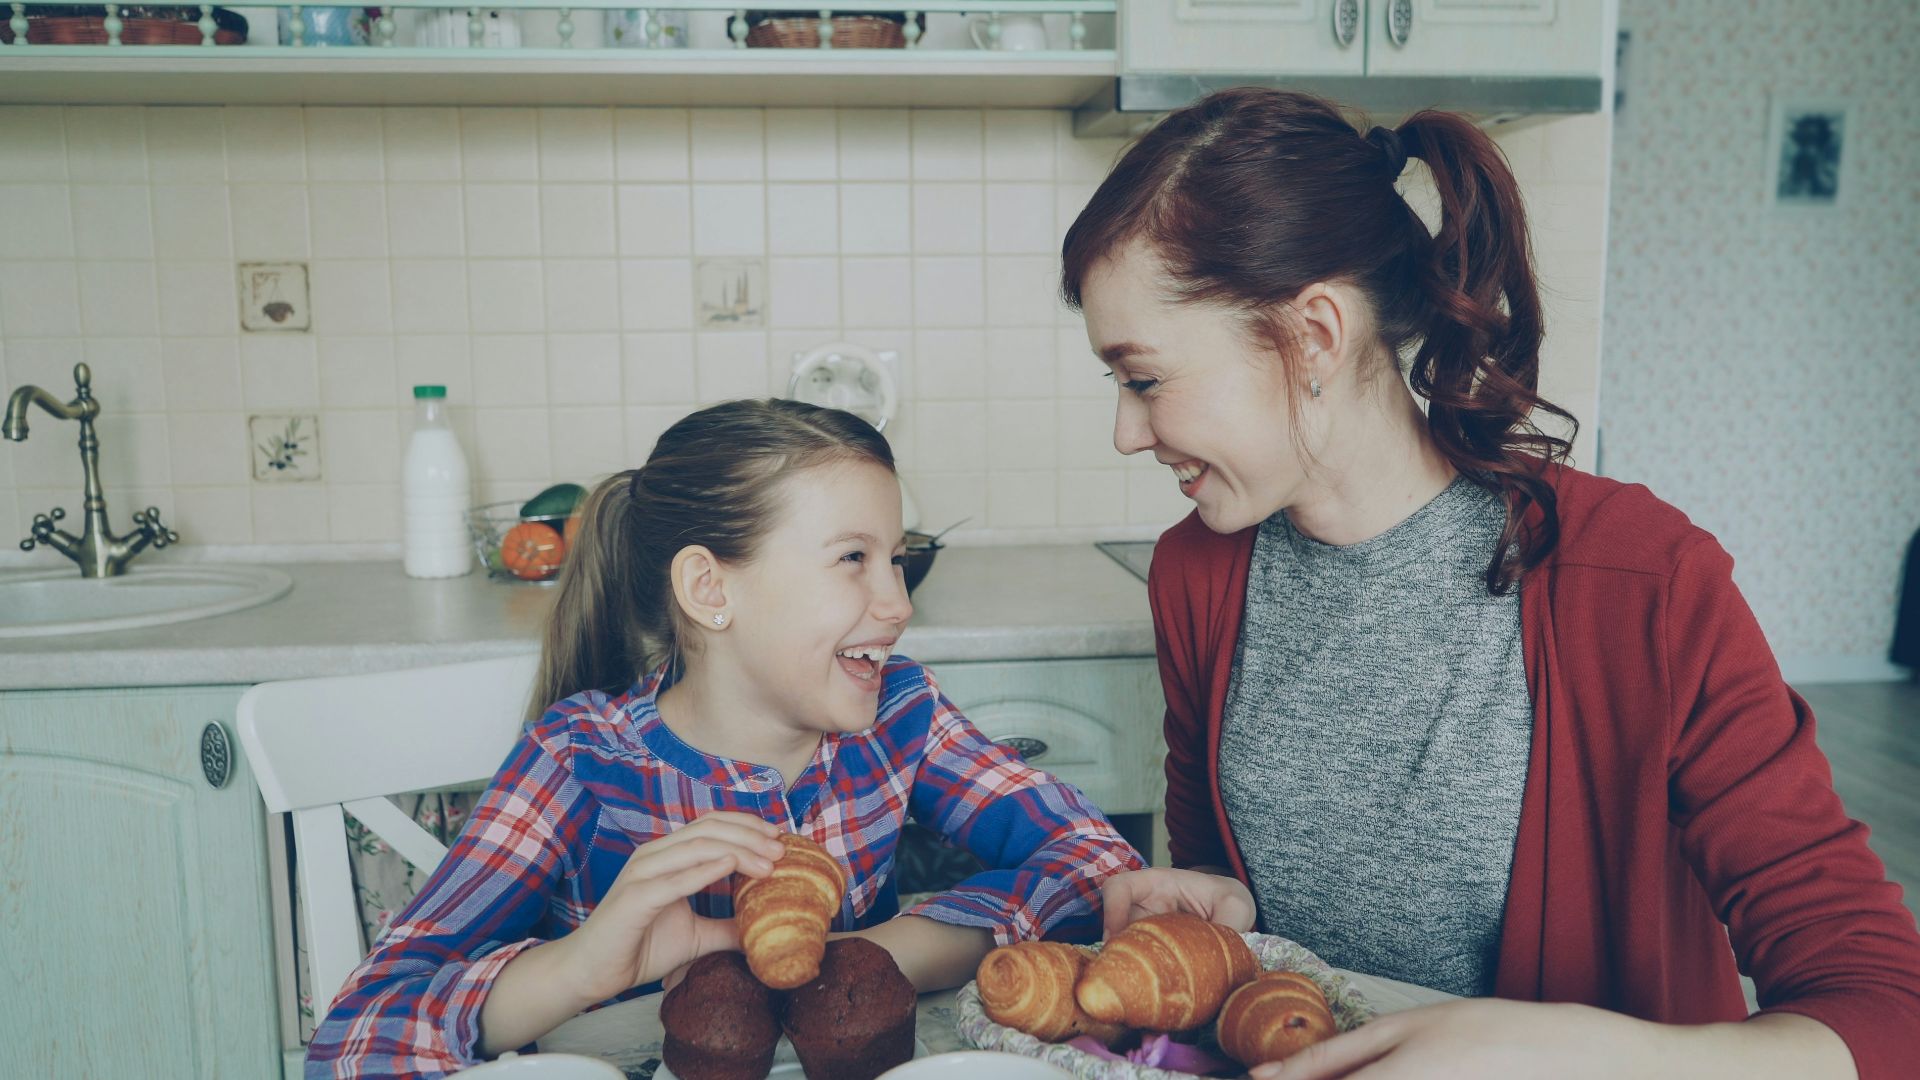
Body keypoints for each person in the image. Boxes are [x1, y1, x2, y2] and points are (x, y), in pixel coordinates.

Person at [1066, 88, 1920, 1078]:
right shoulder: (1197, 575)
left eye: (1143, 380)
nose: (1128, 433)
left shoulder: (1641, 580)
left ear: (1313, 337)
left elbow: (1886, 1007)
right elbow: (1223, 857)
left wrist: (1572, 1051)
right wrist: (1214, 901)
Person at [304, 399, 1144, 1076]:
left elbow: (1097, 866)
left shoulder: (902, 713)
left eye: (898, 557)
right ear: (710, 588)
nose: (898, 603)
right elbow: (352, 1042)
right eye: (854, 558)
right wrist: (585, 966)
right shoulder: (581, 762)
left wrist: (872, 953)